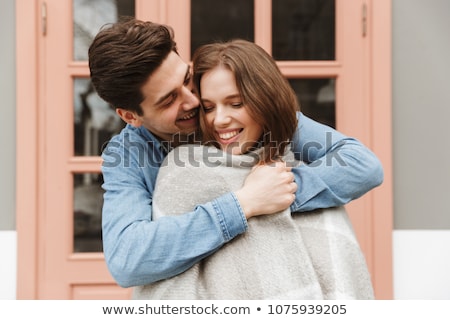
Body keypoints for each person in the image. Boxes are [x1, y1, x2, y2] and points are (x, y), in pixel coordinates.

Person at [88, 18, 383, 289]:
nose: (194, 101)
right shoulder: (127, 155)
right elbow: (127, 258)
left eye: (187, 79)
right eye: (169, 100)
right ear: (131, 116)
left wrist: (280, 191)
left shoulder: (248, 115)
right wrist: (242, 203)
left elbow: (362, 165)